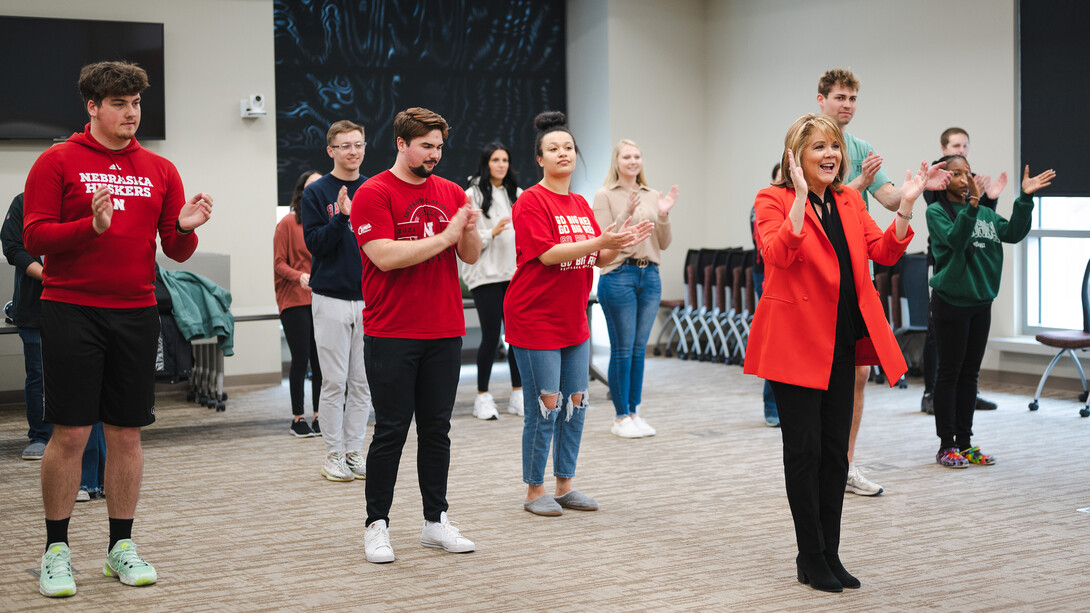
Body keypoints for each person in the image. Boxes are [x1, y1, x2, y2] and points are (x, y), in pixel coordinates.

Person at [23, 61, 213, 597]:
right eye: (119, 104)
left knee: (126, 433)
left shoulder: (160, 169)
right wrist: (92, 226)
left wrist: (183, 227)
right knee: (72, 433)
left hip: (135, 312)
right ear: (92, 107)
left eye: (136, 104)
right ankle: (56, 550)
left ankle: (119, 547)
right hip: (72, 309)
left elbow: (174, 250)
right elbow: (35, 237)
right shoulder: (57, 161)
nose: (131, 114)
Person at [746, 113, 926, 592]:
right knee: (803, 452)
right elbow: (776, 255)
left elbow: (884, 251)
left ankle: (831, 552)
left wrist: (904, 207)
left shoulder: (849, 198)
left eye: (834, 147)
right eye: (819, 148)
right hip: (795, 342)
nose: (830, 155)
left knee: (834, 455)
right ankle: (809, 556)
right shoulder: (772, 199)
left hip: (842, 342)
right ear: (796, 158)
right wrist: (800, 203)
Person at [506, 112, 653, 516]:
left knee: (575, 401)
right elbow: (550, 254)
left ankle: (565, 484)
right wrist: (601, 238)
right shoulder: (530, 200)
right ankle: (535, 490)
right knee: (545, 405)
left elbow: (598, 256)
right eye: (553, 149)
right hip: (534, 318)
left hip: (573, 319)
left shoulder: (579, 203)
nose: (562, 153)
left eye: (568, 147)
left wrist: (621, 241)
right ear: (540, 158)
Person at [352, 107, 482, 564]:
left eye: (439, 147)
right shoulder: (373, 193)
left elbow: (468, 254)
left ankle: (434, 521)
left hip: (445, 329)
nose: (434, 155)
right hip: (392, 331)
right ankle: (377, 525)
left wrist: (468, 228)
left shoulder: (449, 191)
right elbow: (385, 256)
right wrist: (447, 236)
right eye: (426, 146)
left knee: (437, 430)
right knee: (390, 431)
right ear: (402, 144)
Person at [816, 68, 950, 497]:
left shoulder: (861, 148)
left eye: (853, 98)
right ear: (821, 100)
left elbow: (887, 196)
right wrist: (857, 182)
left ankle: (845, 465)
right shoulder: (806, 141)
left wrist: (915, 190)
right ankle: (817, 462)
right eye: (839, 97)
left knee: (858, 375)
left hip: (859, 274)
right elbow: (825, 202)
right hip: (821, 276)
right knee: (821, 375)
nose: (847, 105)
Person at [927, 157, 1054, 468]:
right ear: (943, 180)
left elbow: (1012, 233)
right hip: (951, 303)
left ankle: (966, 443)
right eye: (954, 173)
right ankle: (946, 445)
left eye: (966, 172)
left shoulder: (985, 213)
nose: (962, 177)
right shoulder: (937, 212)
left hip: (980, 303)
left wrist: (1025, 198)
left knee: (970, 375)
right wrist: (971, 204)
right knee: (950, 373)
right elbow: (956, 240)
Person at [301, 121, 374, 481]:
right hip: (329, 296)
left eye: (358, 144)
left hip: (370, 298)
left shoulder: (375, 189)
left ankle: (354, 451)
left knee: (362, 382)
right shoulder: (317, 192)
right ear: (330, 150)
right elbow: (314, 245)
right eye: (344, 146)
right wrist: (342, 216)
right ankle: (332, 453)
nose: (352, 151)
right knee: (334, 381)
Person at [592, 138, 677, 438]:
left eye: (637, 156)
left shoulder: (653, 195)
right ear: (616, 161)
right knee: (623, 349)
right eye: (626, 156)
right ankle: (619, 417)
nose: (632, 161)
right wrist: (625, 213)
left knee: (640, 350)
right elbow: (605, 239)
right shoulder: (604, 195)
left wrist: (663, 214)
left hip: (650, 275)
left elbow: (663, 243)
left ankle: (634, 411)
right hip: (619, 276)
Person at [920, 128, 1005, 414]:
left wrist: (988, 197)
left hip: (973, 271)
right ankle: (931, 392)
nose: (962, 149)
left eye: (966, 145)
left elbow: (983, 219)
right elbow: (949, 222)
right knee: (938, 335)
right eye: (956, 145)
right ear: (943, 147)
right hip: (945, 263)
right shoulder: (938, 179)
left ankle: (969, 394)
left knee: (968, 361)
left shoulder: (968, 178)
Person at [460, 142, 524, 420]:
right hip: (485, 277)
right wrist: (493, 232)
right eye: (496, 160)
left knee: (517, 338)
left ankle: (518, 394)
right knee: (490, 336)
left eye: (505, 160)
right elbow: (465, 240)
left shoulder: (518, 194)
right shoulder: (471, 195)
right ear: (486, 163)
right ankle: (482, 397)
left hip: (513, 275)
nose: (501, 165)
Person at [1, 193, 50, 460]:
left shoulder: (83, 199)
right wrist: (47, 276)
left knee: (79, 374)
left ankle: (82, 437)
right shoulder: (25, 201)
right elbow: (12, 247)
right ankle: (40, 436)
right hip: (34, 305)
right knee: (38, 373)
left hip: (78, 305)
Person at [276, 170, 323, 437]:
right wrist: (299, 276)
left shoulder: (325, 223)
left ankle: (319, 415)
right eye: (310, 187)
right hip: (294, 299)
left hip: (321, 297)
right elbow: (278, 264)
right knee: (301, 357)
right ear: (301, 192)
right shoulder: (287, 223)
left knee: (320, 361)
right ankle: (298, 418)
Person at [750, 166, 781, 427]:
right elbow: (768, 245)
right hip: (767, 277)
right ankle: (771, 405)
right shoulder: (764, 202)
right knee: (776, 343)